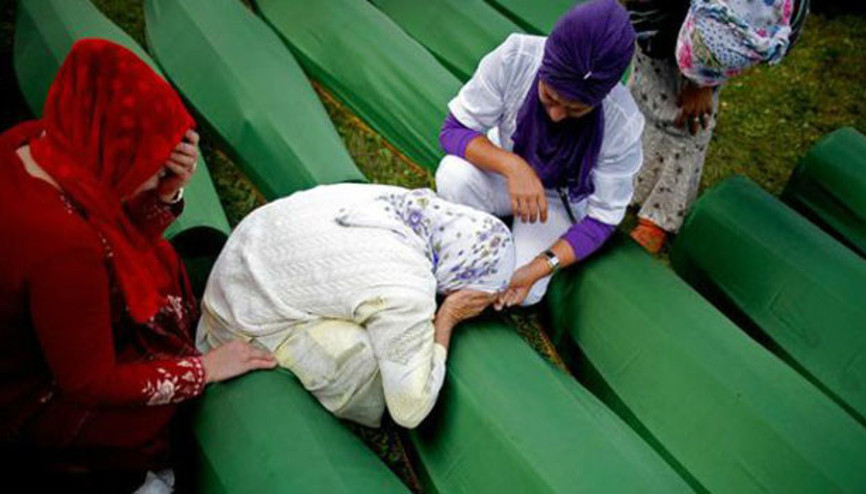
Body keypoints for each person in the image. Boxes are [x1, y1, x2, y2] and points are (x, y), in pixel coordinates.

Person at [0, 39, 276, 490]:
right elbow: (90, 384)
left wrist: (164, 191)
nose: (158, 169)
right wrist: (204, 369)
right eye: (150, 159)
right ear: (112, 149)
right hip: (35, 392)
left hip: (52, 328)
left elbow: (113, 237)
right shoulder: (63, 247)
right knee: (150, 412)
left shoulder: (34, 143)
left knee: (164, 265)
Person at [197, 184, 515, 428]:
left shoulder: (406, 203)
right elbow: (409, 410)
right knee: (367, 361)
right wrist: (448, 316)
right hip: (240, 322)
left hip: (237, 263)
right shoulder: (409, 287)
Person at [436, 0, 644, 307]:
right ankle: (481, 235)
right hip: (504, 169)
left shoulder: (621, 121)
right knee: (454, 175)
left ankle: (494, 248)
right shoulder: (515, 57)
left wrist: (542, 265)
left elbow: (602, 219)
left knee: (526, 290)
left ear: (603, 95)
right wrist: (513, 166)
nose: (558, 115)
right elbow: (453, 130)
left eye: (576, 109)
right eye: (549, 97)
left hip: (558, 199)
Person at [627, 0, 810, 253]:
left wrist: (702, 83)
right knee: (644, 96)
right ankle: (630, 176)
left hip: (712, 34)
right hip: (664, 25)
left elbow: (734, 36)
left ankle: (660, 216)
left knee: (685, 121)